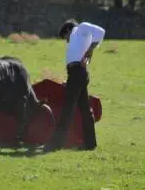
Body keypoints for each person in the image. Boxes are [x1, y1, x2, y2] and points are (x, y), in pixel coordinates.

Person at [44, 19, 105, 152]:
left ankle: (56, 144)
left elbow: (101, 32)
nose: (66, 41)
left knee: (68, 109)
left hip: (77, 74)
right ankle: (90, 144)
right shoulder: (79, 39)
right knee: (85, 110)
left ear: (68, 30)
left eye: (65, 37)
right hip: (77, 74)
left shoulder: (81, 29)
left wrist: (90, 50)